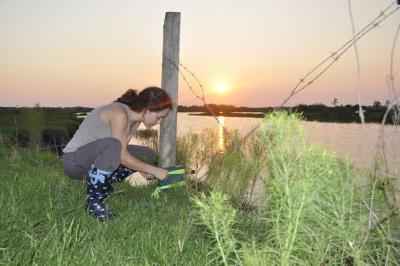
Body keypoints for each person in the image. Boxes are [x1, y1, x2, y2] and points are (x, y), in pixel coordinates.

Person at [62, 87, 172, 221]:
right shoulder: (119, 114)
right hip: (74, 162)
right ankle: (93, 204)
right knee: (113, 146)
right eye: (159, 117)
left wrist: (143, 169)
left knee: (146, 154)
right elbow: (121, 155)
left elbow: (124, 151)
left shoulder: (135, 120)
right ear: (147, 108)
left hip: (94, 161)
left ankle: (104, 184)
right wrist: (153, 170)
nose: (159, 122)